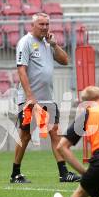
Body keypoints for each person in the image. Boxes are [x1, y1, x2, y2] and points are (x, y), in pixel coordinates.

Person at [11, 12, 80, 183]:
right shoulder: (25, 42)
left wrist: (55, 45)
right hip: (29, 98)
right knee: (25, 135)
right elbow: (21, 69)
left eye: (47, 24)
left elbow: (65, 61)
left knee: (54, 132)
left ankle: (63, 173)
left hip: (47, 98)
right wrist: (29, 96)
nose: (45, 27)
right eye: (41, 24)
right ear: (32, 25)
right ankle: (15, 173)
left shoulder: (48, 43)